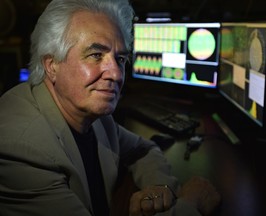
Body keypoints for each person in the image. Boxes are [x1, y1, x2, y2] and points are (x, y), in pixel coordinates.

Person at [0, 0, 220, 215]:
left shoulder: (94, 113)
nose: (116, 74)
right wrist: (190, 203)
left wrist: (159, 192)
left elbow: (144, 150)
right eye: (96, 55)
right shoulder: (21, 147)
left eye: (121, 59)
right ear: (52, 65)